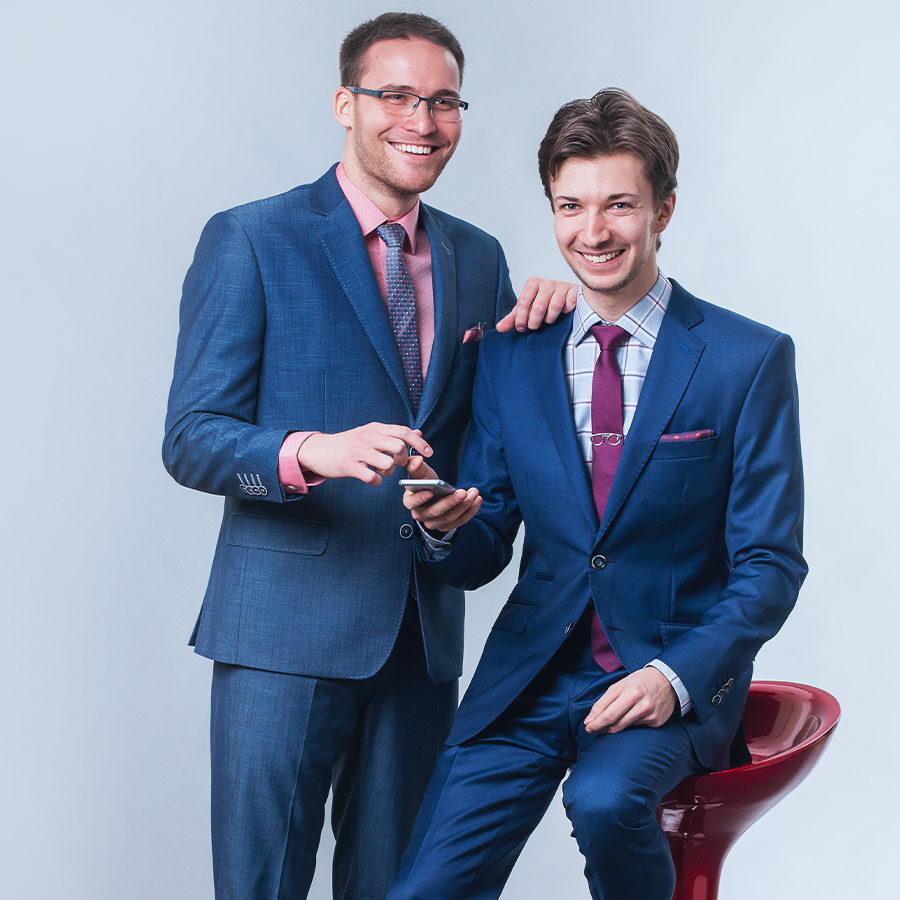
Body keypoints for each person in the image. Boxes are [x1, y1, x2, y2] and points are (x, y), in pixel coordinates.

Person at [162, 12, 575, 900]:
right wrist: (312, 450)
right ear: (345, 104)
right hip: (281, 636)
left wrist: (543, 333)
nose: (422, 121)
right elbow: (191, 436)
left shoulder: (478, 258)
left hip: (420, 639)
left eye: (444, 101)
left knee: (401, 889)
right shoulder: (253, 238)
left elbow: (488, 444)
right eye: (396, 95)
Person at [394, 87, 807, 900]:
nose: (593, 232)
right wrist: (445, 525)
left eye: (619, 204)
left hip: (663, 675)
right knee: (424, 890)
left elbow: (771, 565)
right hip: (526, 681)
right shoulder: (512, 356)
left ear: (664, 209)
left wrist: (673, 677)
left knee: (605, 800)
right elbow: (486, 547)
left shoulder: (746, 359)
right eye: (570, 206)